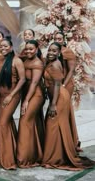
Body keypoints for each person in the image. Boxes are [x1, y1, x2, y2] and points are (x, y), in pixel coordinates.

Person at [42, 42, 95, 170]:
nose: (51, 53)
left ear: (59, 53)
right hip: (56, 96)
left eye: (54, 51)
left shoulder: (56, 65)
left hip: (59, 98)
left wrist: (53, 104)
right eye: (50, 50)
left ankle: (55, 157)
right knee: (54, 125)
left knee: (53, 124)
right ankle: (55, 154)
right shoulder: (49, 62)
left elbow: (57, 85)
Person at [0, 38, 25, 169]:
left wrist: (11, 96)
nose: (3, 48)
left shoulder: (16, 60)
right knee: (7, 123)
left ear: (11, 47)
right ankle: (12, 153)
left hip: (12, 96)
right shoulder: (1, 60)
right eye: (1, 46)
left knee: (2, 123)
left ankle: (8, 160)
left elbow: (22, 80)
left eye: (5, 46)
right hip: (1, 96)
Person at [17, 40, 45, 168]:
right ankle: (34, 154)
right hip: (27, 93)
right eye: (26, 49)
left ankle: (24, 158)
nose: (28, 51)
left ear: (37, 48)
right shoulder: (26, 59)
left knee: (24, 121)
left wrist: (26, 101)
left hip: (35, 95)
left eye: (31, 49)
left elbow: (34, 83)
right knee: (31, 123)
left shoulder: (37, 63)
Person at [54, 32, 81, 152]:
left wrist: (64, 84)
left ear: (63, 39)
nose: (58, 40)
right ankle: (60, 139)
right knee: (60, 110)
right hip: (57, 84)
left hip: (66, 84)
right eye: (55, 38)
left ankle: (70, 140)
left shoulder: (67, 52)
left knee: (64, 110)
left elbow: (71, 71)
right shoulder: (53, 51)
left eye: (60, 38)